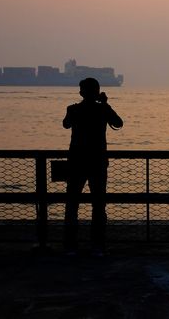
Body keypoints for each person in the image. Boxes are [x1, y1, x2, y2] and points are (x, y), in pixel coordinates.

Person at [63, 77, 123, 255]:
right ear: (97, 92)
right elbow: (119, 123)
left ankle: (71, 246)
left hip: (76, 162)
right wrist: (105, 104)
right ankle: (97, 245)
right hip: (97, 162)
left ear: (81, 92)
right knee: (98, 205)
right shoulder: (103, 110)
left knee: (72, 204)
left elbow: (66, 124)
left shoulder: (73, 109)